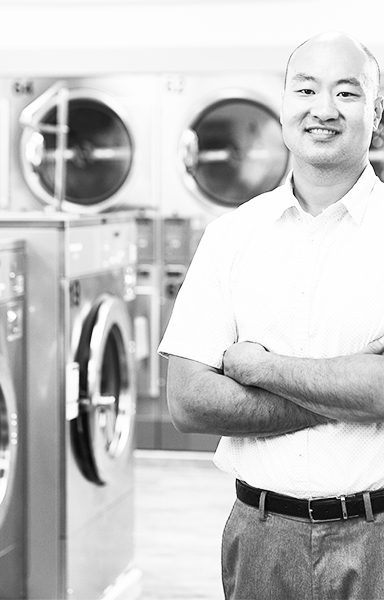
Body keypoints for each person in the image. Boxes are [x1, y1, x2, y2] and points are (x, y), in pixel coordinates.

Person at [158, 31, 384, 600]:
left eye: (348, 93)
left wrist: (258, 367)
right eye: (305, 88)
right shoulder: (231, 236)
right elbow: (188, 400)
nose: (323, 109)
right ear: (283, 103)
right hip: (260, 539)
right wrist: (351, 390)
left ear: (377, 111)